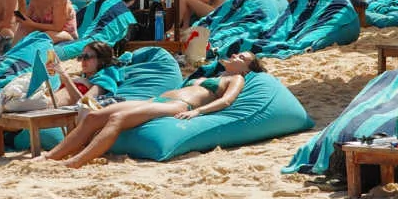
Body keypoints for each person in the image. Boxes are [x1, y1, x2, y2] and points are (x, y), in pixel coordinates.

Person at [43, 51, 265, 168]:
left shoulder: (236, 78)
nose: (235, 56)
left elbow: (227, 101)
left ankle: (77, 161)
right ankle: (50, 157)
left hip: (175, 106)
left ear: (247, 68)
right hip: (156, 100)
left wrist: (197, 112)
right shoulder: (213, 75)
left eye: (242, 57)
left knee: (118, 119)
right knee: (93, 116)